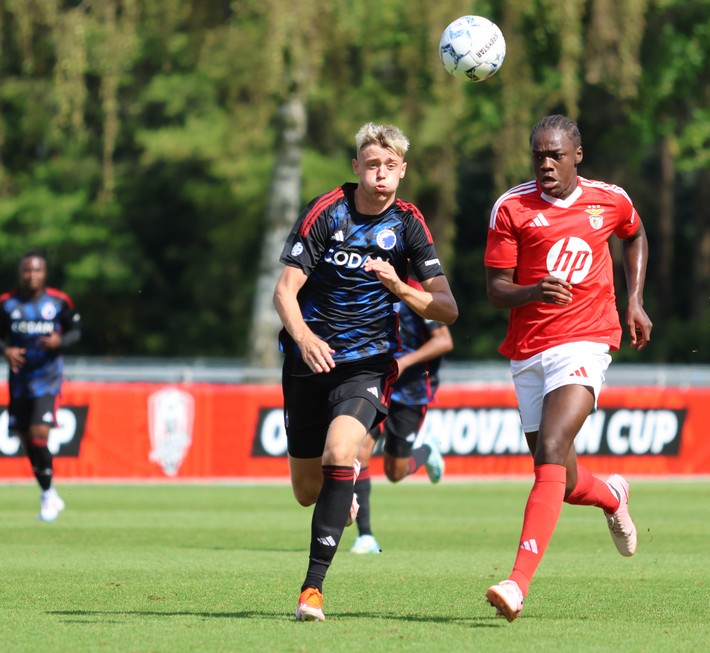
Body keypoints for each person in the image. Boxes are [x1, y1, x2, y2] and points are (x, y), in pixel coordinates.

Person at [273, 122, 458, 622]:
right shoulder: (325, 210)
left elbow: (446, 309)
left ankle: (311, 590)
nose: (381, 174)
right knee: (306, 492)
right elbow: (284, 292)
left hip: (368, 364)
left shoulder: (409, 224)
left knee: (340, 452)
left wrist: (401, 286)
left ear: (402, 171)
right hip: (308, 363)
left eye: (391, 166)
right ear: (357, 167)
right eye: (372, 164)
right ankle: (342, 491)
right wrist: (306, 339)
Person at [482, 115, 653, 622]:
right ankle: (612, 494)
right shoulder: (511, 207)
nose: (545, 164)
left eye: (555, 155)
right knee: (559, 471)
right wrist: (533, 290)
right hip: (529, 349)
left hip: (587, 341)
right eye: (538, 155)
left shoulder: (610, 199)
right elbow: (495, 291)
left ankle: (516, 583)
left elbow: (635, 234)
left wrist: (635, 300)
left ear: (577, 155)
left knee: (554, 448)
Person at [348, 285, 454, 555]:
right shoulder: (366, 289)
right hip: (377, 384)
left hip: (412, 392)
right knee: (360, 451)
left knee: (395, 473)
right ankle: (366, 536)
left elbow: (444, 341)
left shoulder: (418, 293)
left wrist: (405, 362)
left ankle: (426, 450)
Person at [0, 250, 81, 522]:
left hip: (48, 378)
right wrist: (5, 350)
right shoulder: (6, 303)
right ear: (21, 273)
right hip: (19, 381)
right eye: (27, 270)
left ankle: (47, 496)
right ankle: (48, 491)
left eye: (37, 270)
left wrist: (60, 343)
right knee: (26, 438)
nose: (32, 275)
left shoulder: (59, 301)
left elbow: (77, 331)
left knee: (39, 434)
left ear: (44, 273)